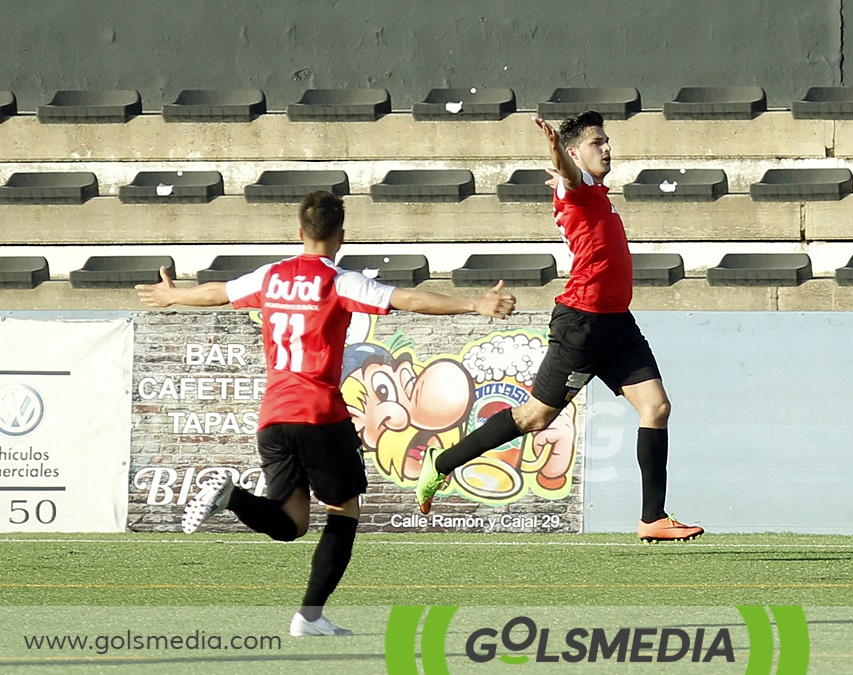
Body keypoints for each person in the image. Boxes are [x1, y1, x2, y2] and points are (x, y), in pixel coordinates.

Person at [136, 190, 515, 636]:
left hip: (273, 417)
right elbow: (407, 299)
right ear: (341, 236)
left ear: (299, 233)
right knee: (343, 511)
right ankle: (309, 617)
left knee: (292, 524)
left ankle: (232, 498)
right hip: (319, 414)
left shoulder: (271, 276)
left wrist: (174, 295)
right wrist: (474, 303)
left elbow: (219, 292)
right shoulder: (339, 281)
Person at [415, 112, 703, 543]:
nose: (607, 148)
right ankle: (440, 465)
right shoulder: (578, 187)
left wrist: (566, 162)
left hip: (617, 325)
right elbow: (570, 176)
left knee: (657, 408)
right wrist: (556, 152)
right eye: (596, 142)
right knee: (534, 417)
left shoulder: (598, 193)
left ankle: (652, 518)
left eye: (607, 140)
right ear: (573, 153)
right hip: (581, 326)